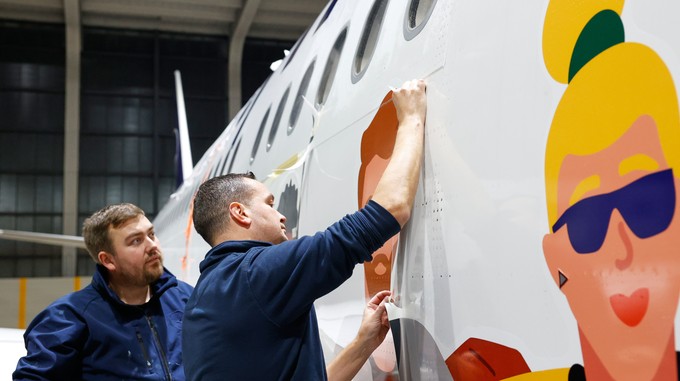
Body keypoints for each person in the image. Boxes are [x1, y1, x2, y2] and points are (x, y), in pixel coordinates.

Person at [182, 79, 427, 380]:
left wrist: (364, 343)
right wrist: (412, 118)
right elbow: (387, 214)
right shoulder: (257, 275)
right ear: (240, 212)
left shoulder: (211, 292)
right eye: (269, 203)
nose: (281, 216)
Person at [13, 203, 194, 381]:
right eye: (136, 241)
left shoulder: (186, 298)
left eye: (151, 234)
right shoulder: (70, 317)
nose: (152, 246)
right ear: (108, 260)